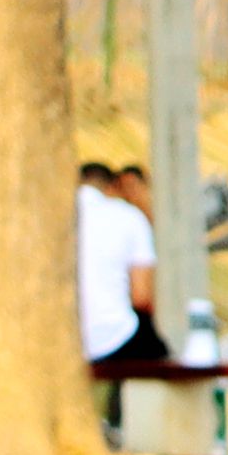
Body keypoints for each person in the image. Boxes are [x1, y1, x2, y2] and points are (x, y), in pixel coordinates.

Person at [74, 159, 167, 372]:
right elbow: (142, 296)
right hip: (116, 336)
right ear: (112, 186)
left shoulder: (52, 216)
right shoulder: (129, 216)